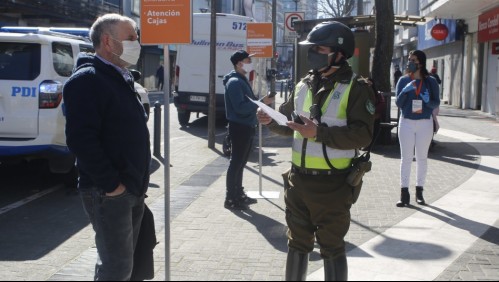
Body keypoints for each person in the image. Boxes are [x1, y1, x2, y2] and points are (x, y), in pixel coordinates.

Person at [257, 21, 375, 281]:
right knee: (297, 244)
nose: (313, 53)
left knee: (332, 247)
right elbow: (290, 125)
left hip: (332, 186)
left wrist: (319, 133)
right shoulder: (303, 85)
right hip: (298, 181)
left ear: (339, 52)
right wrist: (271, 121)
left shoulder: (356, 88)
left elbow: (363, 136)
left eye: (319, 48)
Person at [63, 13, 151, 280]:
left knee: (124, 266)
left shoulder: (120, 76)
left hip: (130, 188)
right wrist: (113, 186)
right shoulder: (87, 80)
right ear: (107, 42)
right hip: (109, 192)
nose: (137, 43)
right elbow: (81, 140)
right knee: (116, 270)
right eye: (131, 38)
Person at [223, 50, 274, 210]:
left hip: (246, 126)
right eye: (247, 60)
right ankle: (231, 197)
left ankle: (238, 194)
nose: (250, 63)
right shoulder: (234, 83)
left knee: (241, 162)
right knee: (236, 162)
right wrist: (261, 102)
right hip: (239, 127)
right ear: (239, 64)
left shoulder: (241, 80)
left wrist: (260, 103)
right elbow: (240, 108)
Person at [395, 50, 440, 207]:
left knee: (422, 158)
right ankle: (404, 193)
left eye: (413, 60)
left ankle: (419, 191)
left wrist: (428, 101)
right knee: (406, 158)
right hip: (406, 122)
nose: (410, 62)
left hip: (424, 123)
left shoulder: (431, 81)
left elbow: (436, 102)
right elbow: (399, 104)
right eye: (409, 59)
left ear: (420, 62)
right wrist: (404, 91)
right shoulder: (403, 80)